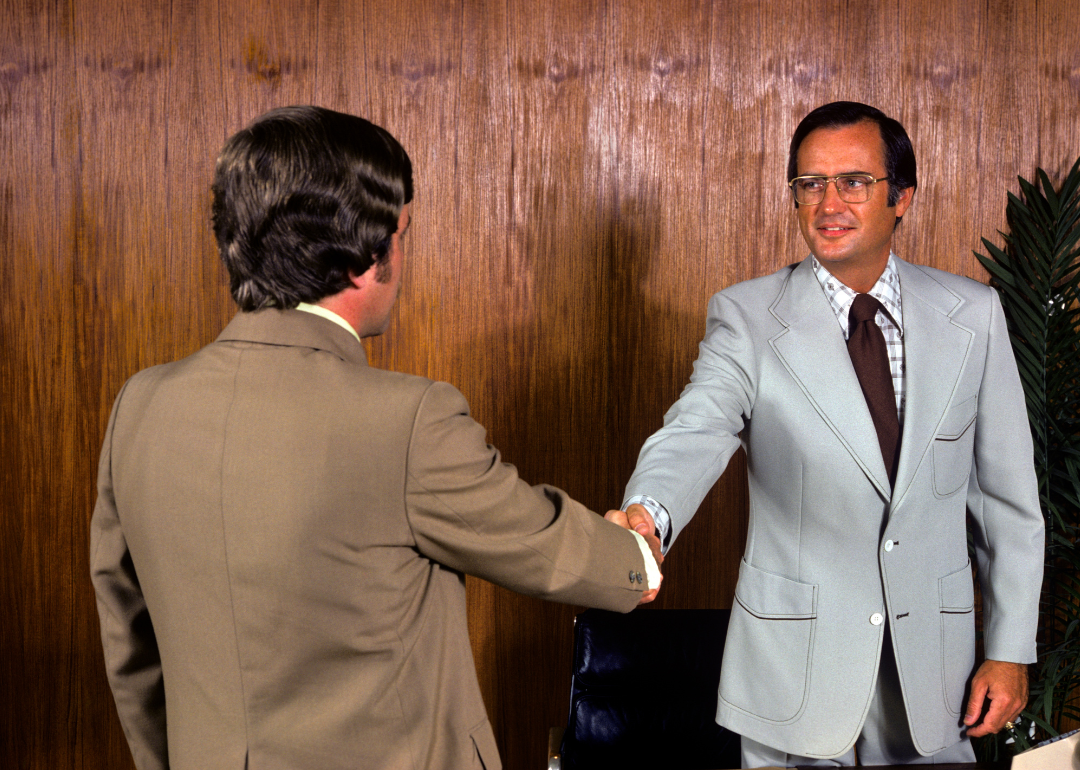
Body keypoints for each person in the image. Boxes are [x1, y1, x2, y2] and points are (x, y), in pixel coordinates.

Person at [89, 105, 662, 770]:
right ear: (369, 251)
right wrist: (636, 557)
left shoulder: (141, 406)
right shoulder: (408, 421)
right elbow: (543, 545)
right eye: (402, 233)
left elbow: (129, 647)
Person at [616, 101, 1043, 767]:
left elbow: (1009, 503)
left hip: (934, 681)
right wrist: (649, 514)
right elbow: (696, 427)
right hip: (796, 678)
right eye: (809, 185)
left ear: (901, 196)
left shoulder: (975, 317)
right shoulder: (747, 317)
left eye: (853, 182)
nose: (828, 203)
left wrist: (1011, 649)